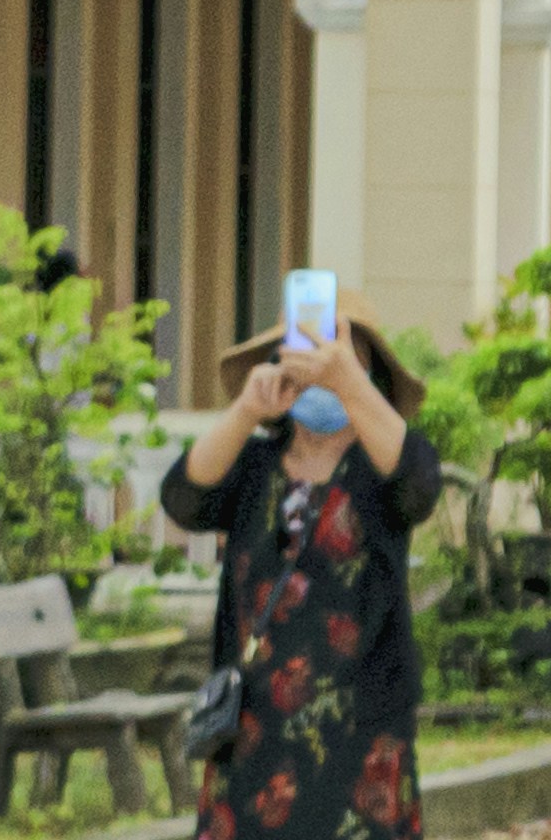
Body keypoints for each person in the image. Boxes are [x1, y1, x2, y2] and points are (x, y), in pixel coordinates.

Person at [161, 310, 446, 840]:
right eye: (306, 356)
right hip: (250, 730)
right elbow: (184, 498)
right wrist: (247, 408)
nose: (321, 373)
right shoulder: (251, 466)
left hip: (361, 728)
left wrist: (349, 384)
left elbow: (420, 486)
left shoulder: (379, 466)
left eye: (337, 358)